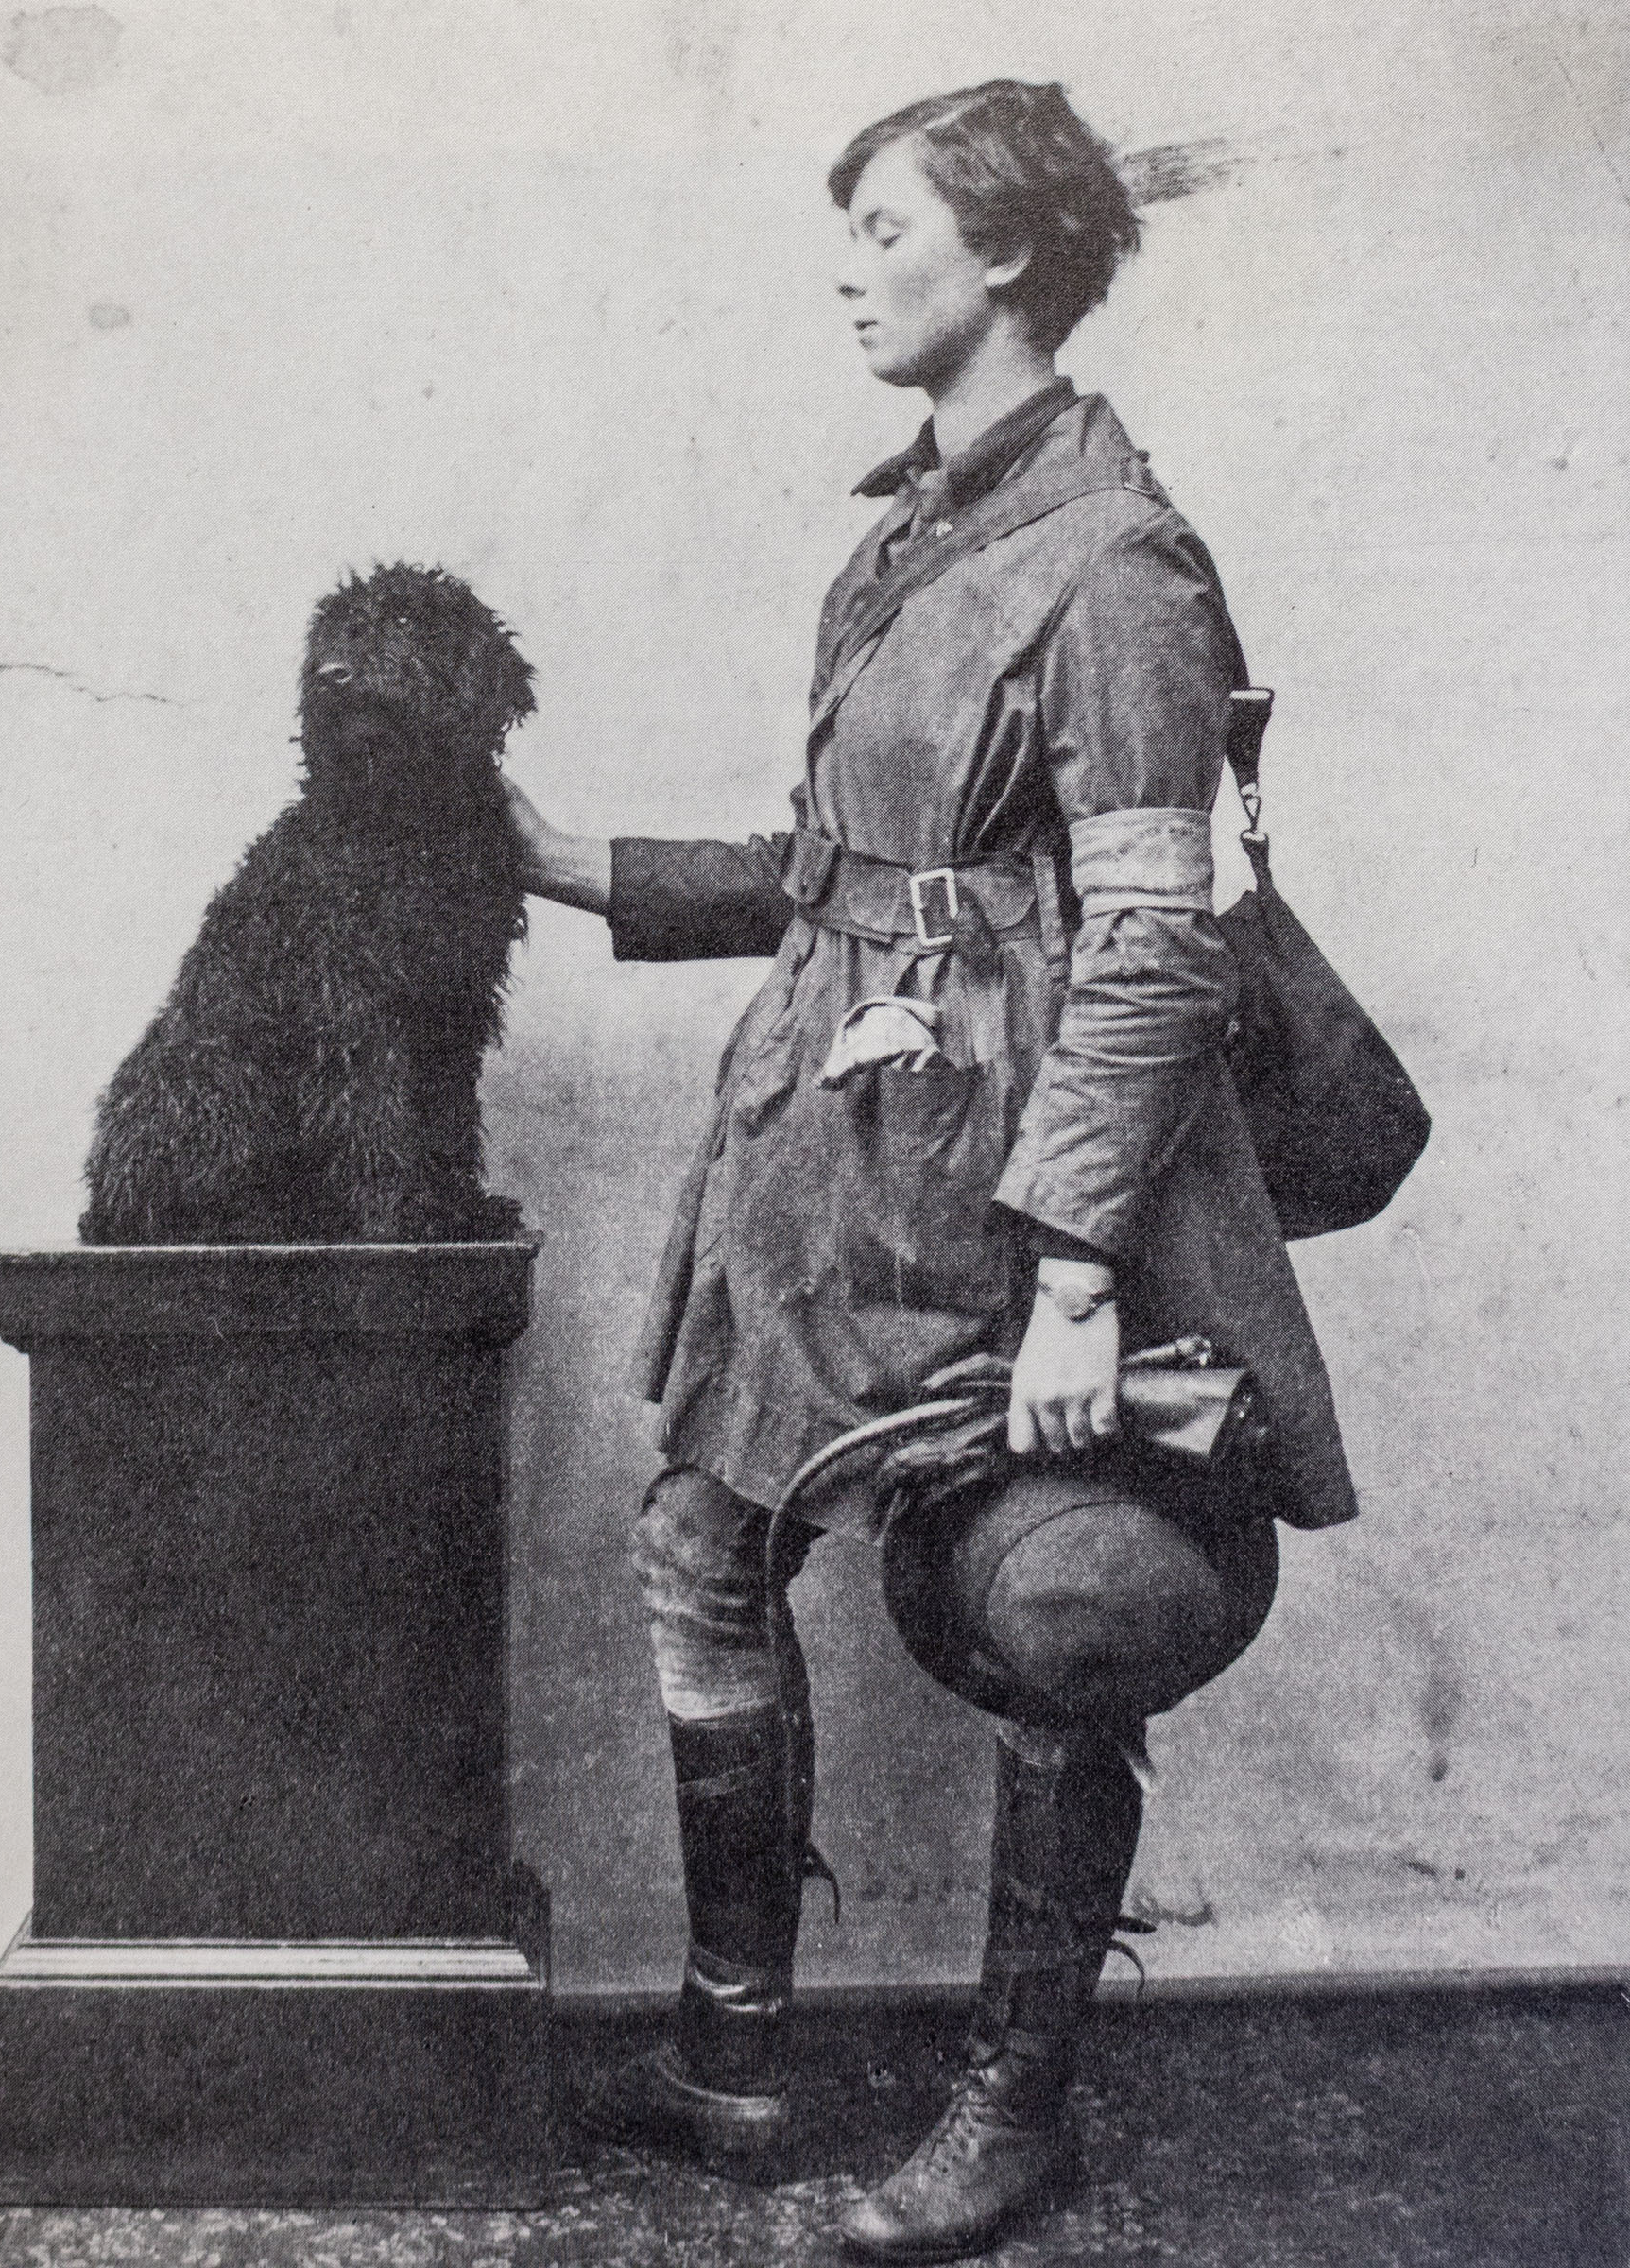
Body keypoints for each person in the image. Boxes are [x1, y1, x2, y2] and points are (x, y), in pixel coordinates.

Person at [509, 79, 1357, 2263]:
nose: (845, 263)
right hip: (827, 1144)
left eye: (877, 224)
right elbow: (850, 871)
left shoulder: (1116, 565)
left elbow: (1155, 937)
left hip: (1005, 1171)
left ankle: (1015, 2107)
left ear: (995, 254)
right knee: (701, 1536)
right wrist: (558, 864)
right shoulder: (913, 529)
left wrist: (1076, 1266)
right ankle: (729, 2056)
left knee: (1069, 1599)